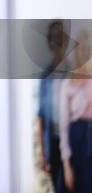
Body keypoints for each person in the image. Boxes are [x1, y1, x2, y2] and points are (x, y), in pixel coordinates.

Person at [37, 20, 69, 193]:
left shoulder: (74, 73)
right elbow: (41, 115)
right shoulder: (45, 76)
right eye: (54, 39)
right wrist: (43, 152)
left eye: (61, 39)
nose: (57, 43)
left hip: (72, 142)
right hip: (53, 141)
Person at [59, 30, 92, 193]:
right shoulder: (68, 83)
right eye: (81, 49)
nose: (84, 52)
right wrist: (66, 166)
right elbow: (63, 126)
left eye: (88, 48)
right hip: (76, 136)